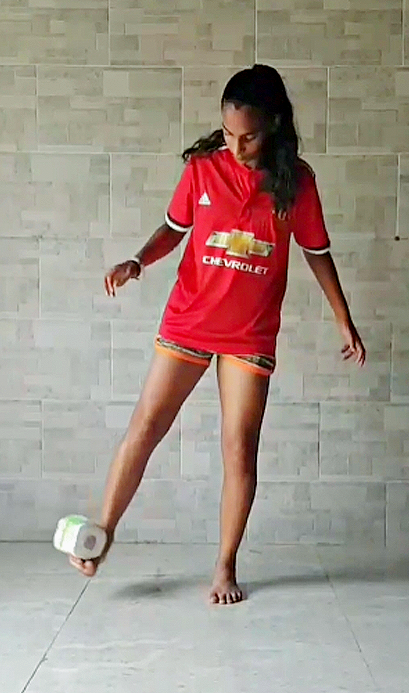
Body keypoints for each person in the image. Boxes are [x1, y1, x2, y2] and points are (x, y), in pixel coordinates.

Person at [70, 64, 366, 605]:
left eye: (247, 136)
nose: (236, 145)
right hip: (190, 318)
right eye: (228, 133)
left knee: (239, 449)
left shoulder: (297, 182)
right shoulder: (204, 169)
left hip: (250, 333)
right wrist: (138, 260)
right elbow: (173, 229)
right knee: (146, 426)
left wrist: (343, 317)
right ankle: (102, 534)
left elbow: (317, 252)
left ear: (273, 125)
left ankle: (225, 564)